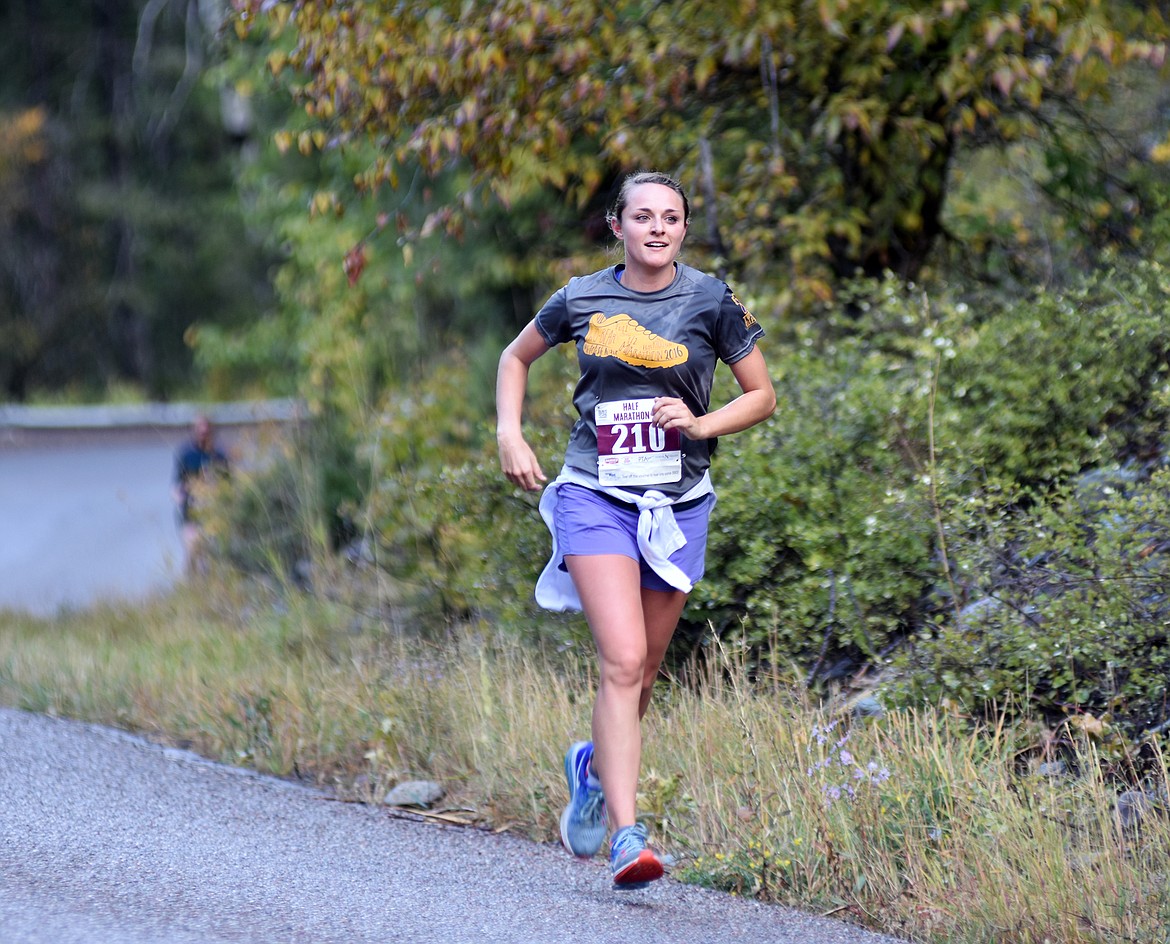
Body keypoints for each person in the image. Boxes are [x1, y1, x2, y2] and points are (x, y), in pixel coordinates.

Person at [495, 171, 776, 889]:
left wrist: (701, 424)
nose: (657, 228)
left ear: (684, 229)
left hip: (680, 503)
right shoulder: (582, 295)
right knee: (622, 660)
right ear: (617, 227)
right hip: (596, 493)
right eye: (642, 216)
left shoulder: (710, 298)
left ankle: (591, 768)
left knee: (644, 671)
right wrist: (510, 434)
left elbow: (763, 395)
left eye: (671, 218)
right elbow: (515, 357)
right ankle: (627, 836)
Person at [173, 414, 229, 575]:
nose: (203, 434)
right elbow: (178, 483)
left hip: (213, 512)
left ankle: (208, 587)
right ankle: (190, 586)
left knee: (210, 555)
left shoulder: (219, 456)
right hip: (191, 512)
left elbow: (228, 484)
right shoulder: (186, 455)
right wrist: (180, 495)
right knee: (192, 551)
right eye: (200, 430)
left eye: (206, 431)